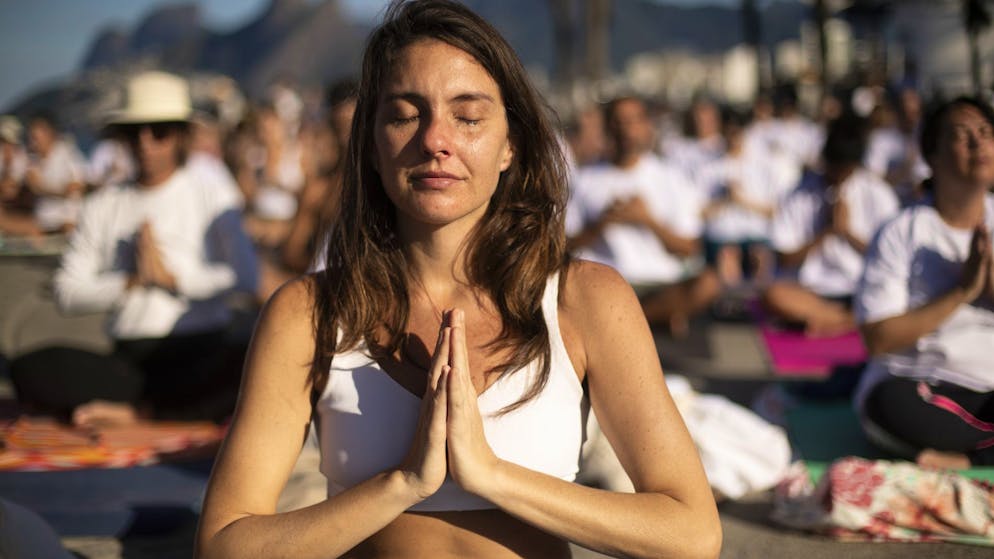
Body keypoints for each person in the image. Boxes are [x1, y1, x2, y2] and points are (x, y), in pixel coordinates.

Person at [195, 2, 721, 558]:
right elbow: (226, 544)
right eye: (404, 114)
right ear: (372, 143)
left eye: (468, 117)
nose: (435, 140)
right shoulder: (310, 312)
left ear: (510, 145)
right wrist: (404, 483)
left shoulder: (585, 300)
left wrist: (491, 475)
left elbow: (691, 534)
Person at [10, 71, 258, 426]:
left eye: (159, 131)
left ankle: (141, 413)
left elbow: (245, 277)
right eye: (133, 133)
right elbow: (67, 291)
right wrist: (130, 281)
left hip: (202, 348)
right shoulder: (104, 204)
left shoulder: (211, 193)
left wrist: (172, 278)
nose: (146, 143)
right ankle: (155, 410)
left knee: (258, 359)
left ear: (180, 136)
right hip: (130, 361)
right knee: (29, 369)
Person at [854, 96, 994, 469]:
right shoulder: (902, 231)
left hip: (989, 394)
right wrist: (963, 292)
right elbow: (877, 338)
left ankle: (967, 459)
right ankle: (979, 454)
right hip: (922, 385)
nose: (978, 144)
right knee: (888, 403)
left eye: (985, 133)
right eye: (962, 135)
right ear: (932, 155)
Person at [567, 95, 720, 336]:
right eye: (620, 121)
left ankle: (634, 319)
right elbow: (563, 243)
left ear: (647, 125)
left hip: (660, 284)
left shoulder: (671, 177)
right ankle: (651, 318)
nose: (627, 129)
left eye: (634, 120)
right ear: (609, 128)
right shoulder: (586, 178)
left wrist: (646, 220)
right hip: (605, 282)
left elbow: (690, 248)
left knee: (708, 284)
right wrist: (604, 222)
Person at [763, 115, 900, 335]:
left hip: (863, 290)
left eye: (844, 170)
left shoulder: (877, 192)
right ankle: (848, 321)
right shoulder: (799, 194)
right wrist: (826, 232)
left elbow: (891, 257)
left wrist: (847, 232)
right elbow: (785, 258)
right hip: (814, 292)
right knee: (774, 296)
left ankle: (837, 321)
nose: (836, 176)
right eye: (832, 168)